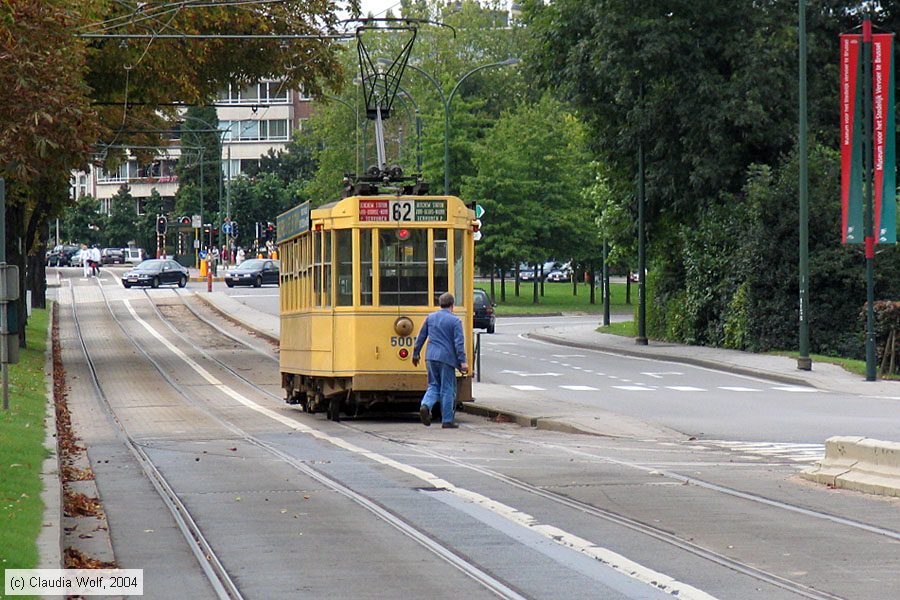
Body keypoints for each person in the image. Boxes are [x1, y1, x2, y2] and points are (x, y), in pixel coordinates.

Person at [412, 292, 469, 428]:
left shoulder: (430, 318)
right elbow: (459, 343)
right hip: (447, 358)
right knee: (447, 388)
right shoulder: (455, 321)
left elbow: (421, 337)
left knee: (433, 385)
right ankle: (447, 420)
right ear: (452, 305)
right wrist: (463, 362)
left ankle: (425, 405)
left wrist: (415, 354)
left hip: (430, 357)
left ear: (440, 304)